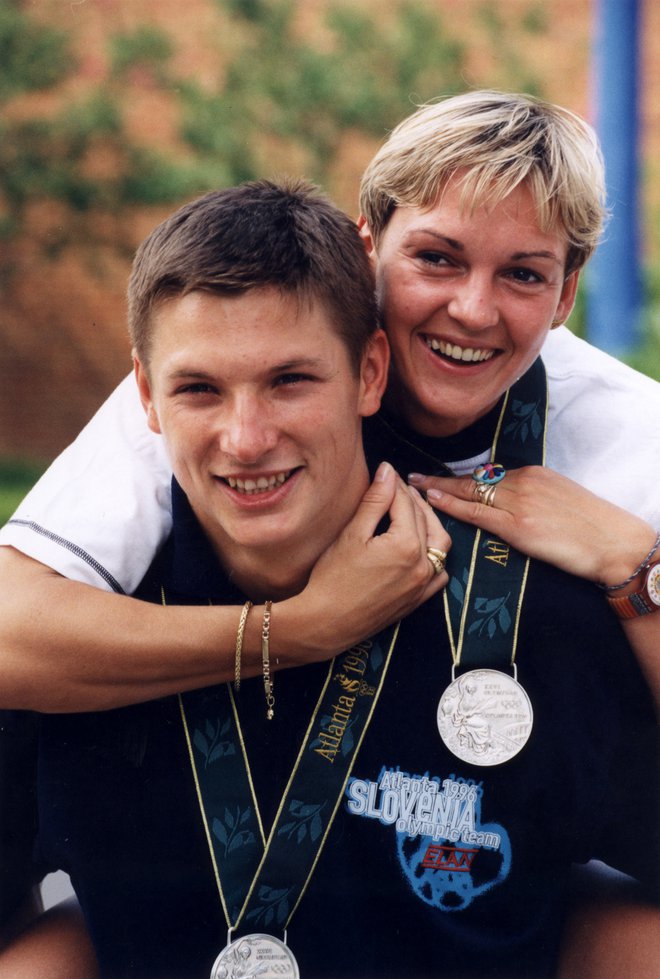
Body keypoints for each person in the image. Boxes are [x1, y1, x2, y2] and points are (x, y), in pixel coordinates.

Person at [0, 90, 658, 966]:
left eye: (523, 274)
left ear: (566, 291)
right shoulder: (228, 353)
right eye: (435, 257)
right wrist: (301, 629)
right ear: (366, 244)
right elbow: (12, 627)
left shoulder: (630, 445)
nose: (471, 309)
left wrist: (637, 565)